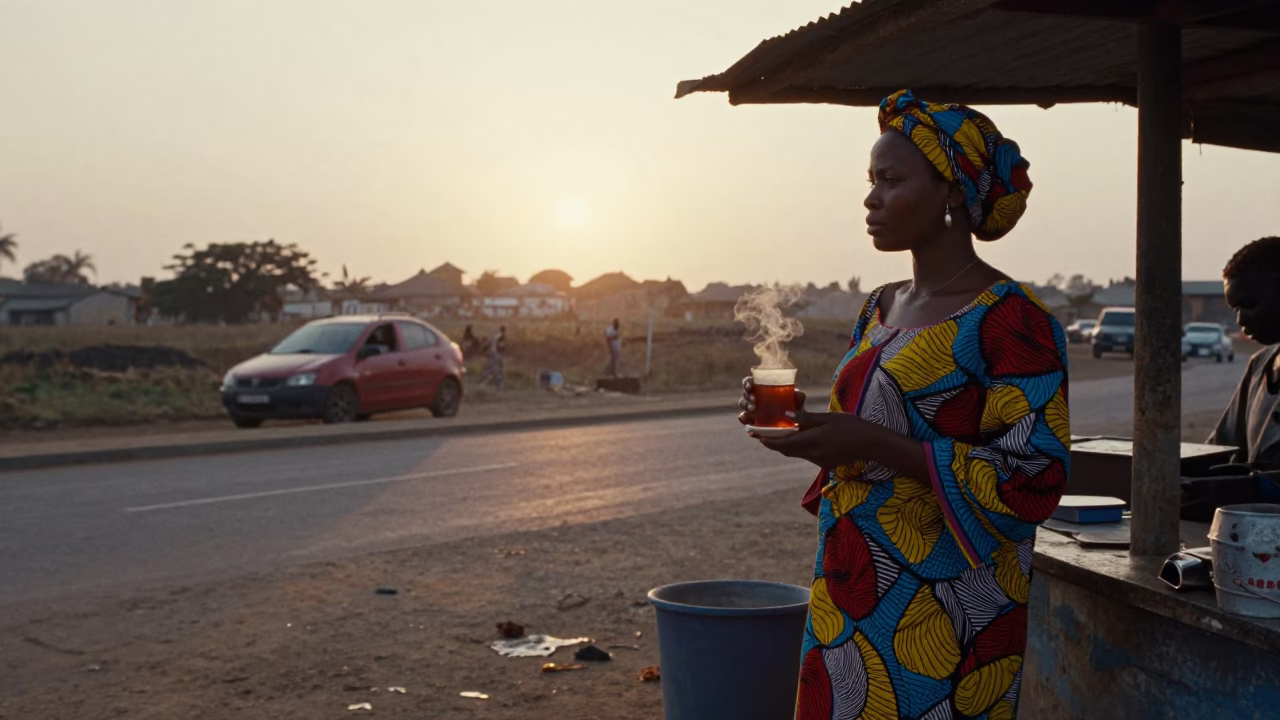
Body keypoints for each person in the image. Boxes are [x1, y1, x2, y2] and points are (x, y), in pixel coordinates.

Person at [738, 90, 1069, 719]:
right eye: (870, 180)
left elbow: (1035, 479)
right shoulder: (882, 305)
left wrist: (863, 442)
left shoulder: (1013, 320)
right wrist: (800, 428)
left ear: (950, 191)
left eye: (891, 180)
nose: (871, 198)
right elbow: (869, 432)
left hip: (945, 606)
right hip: (853, 586)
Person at [1208, 237, 1280, 466]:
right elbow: (1220, 452)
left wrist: (1252, 489)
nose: (1241, 319)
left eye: (1249, 304)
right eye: (1236, 308)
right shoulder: (1260, 367)